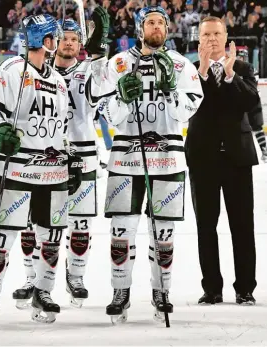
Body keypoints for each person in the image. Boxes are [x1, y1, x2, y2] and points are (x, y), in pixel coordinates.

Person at [95, 6, 203, 322]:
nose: (156, 27)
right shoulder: (118, 63)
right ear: (140, 29)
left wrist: (170, 93)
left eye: (160, 23)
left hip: (168, 159)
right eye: (149, 22)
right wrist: (121, 100)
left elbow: (187, 112)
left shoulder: (182, 65)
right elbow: (106, 112)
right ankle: (121, 290)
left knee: (164, 234)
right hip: (126, 159)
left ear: (167, 29)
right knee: (121, 231)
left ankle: (162, 291)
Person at [0, 13, 82, 325]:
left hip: (52, 171)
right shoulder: (10, 70)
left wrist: (71, 158)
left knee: (51, 234)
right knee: (3, 233)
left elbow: (61, 128)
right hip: (16, 168)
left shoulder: (58, 81)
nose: (58, 42)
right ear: (41, 39)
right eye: (53, 36)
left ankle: (43, 291)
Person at [11, 10, 110, 309]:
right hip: (44, 158)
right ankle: (33, 277)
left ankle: (76, 276)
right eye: (63, 38)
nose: (68, 43)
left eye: (74, 39)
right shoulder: (38, 72)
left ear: (81, 43)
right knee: (34, 223)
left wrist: (99, 57)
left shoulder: (87, 72)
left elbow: (100, 94)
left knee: (80, 223)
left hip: (82, 156)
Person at [185, 16, 260, 306]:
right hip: (203, 159)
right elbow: (189, 106)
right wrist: (203, 73)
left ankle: (245, 288)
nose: (212, 39)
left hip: (237, 158)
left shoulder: (242, 68)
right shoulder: (190, 72)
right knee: (206, 225)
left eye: (217, 33)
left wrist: (230, 77)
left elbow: (249, 102)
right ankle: (212, 289)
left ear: (226, 36)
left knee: (242, 225)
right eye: (207, 35)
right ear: (199, 39)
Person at [236, 48, 267, 163]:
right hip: (243, 102)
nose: (241, 59)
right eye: (240, 57)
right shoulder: (237, 69)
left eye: (243, 57)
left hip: (252, 101)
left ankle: (264, 151)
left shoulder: (249, 69)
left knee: (257, 127)